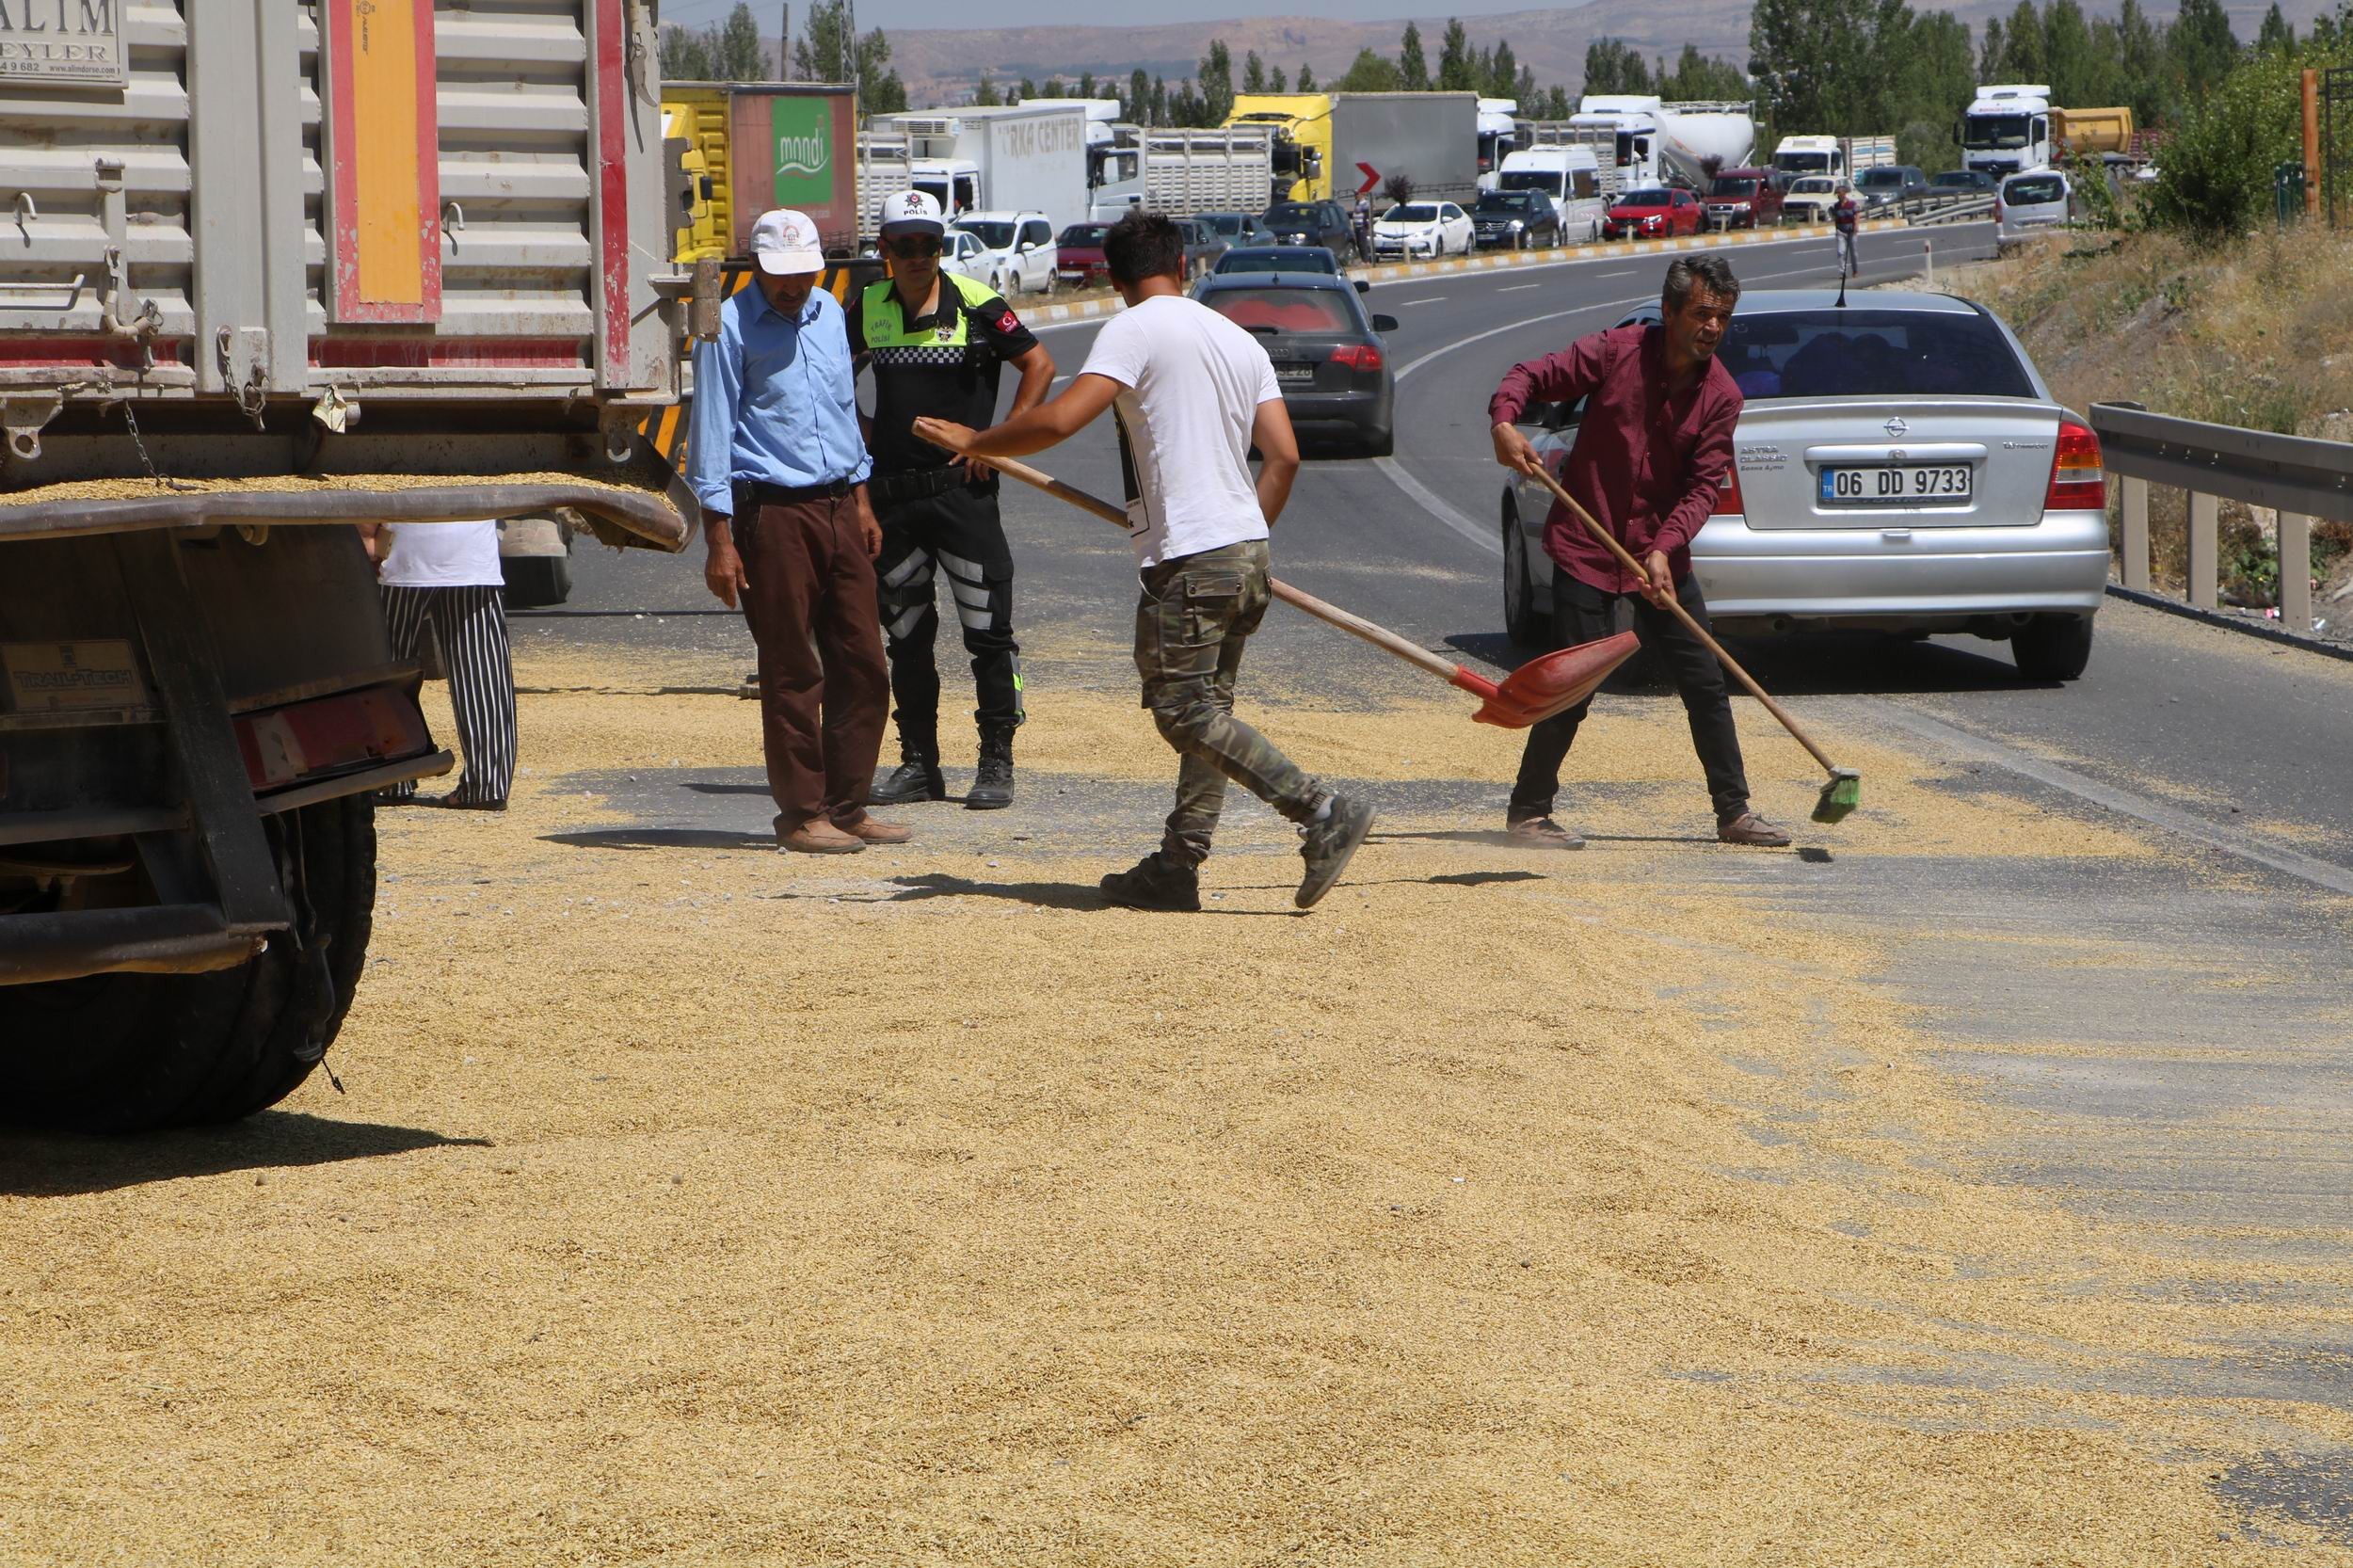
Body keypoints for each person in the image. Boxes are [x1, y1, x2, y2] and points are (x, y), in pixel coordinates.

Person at [911, 210, 1374, 913]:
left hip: (1194, 556)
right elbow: (1284, 456)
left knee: (1183, 712)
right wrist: (1242, 536)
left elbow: (1065, 419)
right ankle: (1177, 866)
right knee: (1209, 713)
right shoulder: (1235, 338)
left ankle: (1319, 809)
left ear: (1115, 277)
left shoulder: (1134, 327)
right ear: (1182, 265)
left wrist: (981, 440)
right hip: (1243, 548)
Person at [1487, 253, 1791, 850]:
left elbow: (1705, 486)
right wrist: (1504, 422)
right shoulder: (1616, 351)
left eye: (1724, 318)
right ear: (1671, 311)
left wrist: (1665, 546)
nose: (1713, 328)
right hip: (1587, 546)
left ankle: (1734, 812)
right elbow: (1531, 375)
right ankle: (1528, 814)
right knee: (1573, 686)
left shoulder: (1722, 397)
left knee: (1704, 680)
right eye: (1703, 313)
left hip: (1660, 562)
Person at [686, 208, 907, 856]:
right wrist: (719, 540)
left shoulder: (831, 314)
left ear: (819, 264)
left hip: (841, 504)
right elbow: (712, 436)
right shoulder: (728, 328)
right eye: (778, 274)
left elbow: (842, 415)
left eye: (802, 272)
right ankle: (802, 813)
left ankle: (849, 804)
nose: (791, 286)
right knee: (791, 667)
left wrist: (862, 500)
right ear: (755, 267)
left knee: (863, 661)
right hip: (772, 514)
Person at [850, 190, 1055, 810]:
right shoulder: (866, 306)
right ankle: (919, 765)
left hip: (963, 499)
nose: (918, 257)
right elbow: (828, 376)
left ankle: (997, 762)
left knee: (988, 632)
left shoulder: (976, 302)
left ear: (942, 247)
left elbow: (1039, 367)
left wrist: (995, 443)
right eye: (904, 246)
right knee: (906, 635)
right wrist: (860, 434)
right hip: (892, 500)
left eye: (929, 245)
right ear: (882, 250)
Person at [359, 518, 517, 810]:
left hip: (403, 549)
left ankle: (393, 777)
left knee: (388, 667)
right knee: (481, 669)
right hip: (473, 549)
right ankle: (487, 784)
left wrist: (367, 536)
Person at [1832, 181, 1860, 279]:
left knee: (1853, 253)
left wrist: (1856, 226)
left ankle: (1855, 270)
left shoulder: (1852, 204)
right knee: (1841, 252)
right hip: (1841, 231)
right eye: (1837, 193)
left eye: (1839, 193)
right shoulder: (1836, 206)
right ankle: (1842, 273)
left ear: (1844, 193)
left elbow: (1856, 215)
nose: (1838, 195)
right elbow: (1836, 218)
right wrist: (1836, 230)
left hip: (1851, 231)